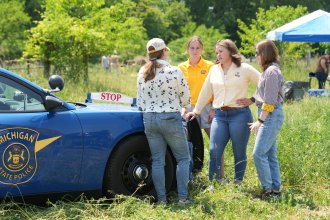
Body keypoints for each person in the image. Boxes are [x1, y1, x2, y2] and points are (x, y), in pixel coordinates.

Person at [186, 39, 260, 184]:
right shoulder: (214, 69)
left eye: (221, 51)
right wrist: (196, 111)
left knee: (239, 151)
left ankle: (238, 182)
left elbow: (265, 83)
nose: (218, 54)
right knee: (214, 150)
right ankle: (214, 183)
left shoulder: (244, 68)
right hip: (219, 115)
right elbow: (205, 91)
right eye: (216, 52)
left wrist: (252, 99)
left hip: (239, 114)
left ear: (231, 51)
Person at [137, 38, 191, 205]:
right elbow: (186, 98)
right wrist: (181, 105)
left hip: (149, 119)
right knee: (183, 158)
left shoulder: (142, 72)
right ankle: (183, 198)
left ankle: (161, 200)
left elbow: (139, 101)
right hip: (169, 118)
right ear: (164, 51)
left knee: (158, 160)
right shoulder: (174, 71)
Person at [178, 36, 225, 179]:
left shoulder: (210, 66)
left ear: (202, 49)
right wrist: (182, 108)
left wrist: (213, 109)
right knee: (190, 144)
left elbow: (217, 88)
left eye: (198, 48)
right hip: (188, 108)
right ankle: (193, 174)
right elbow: (178, 91)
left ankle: (220, 176)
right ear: (187, 49)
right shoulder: (181, 68)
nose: (195, 51)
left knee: (216, 142)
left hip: (206, 106)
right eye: (192, 48)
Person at [247, 39, 285, 198]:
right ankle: (275, 189)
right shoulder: (268, 71)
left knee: (258, 154)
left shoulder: (271, 72)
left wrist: (260, 122)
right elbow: (262, 95)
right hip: (268, 114)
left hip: (270, 115)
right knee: (269, 154)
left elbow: (269, 102)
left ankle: (268, 189)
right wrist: (249, 100)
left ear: (265, 54)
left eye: (257, 53)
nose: (256, 56)